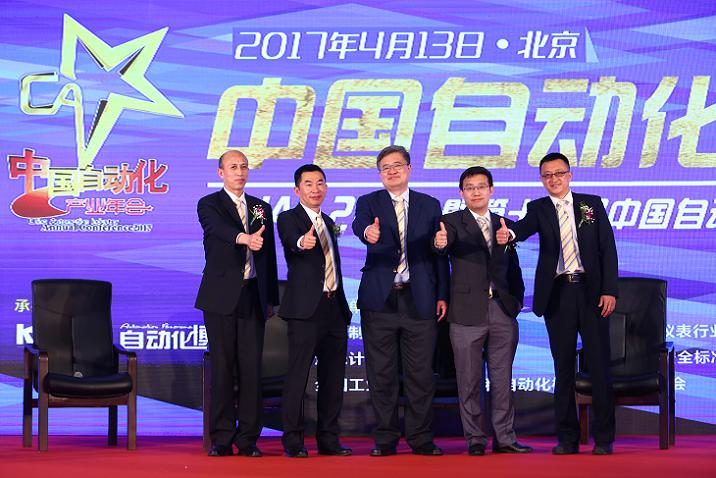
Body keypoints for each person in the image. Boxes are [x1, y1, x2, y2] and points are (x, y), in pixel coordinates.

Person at [496, 152, 618, 455]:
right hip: (558, 294)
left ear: (569, 175)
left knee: (599, 366)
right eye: (547, 175)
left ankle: (604, 439)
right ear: (542, 179)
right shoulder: (538, 208)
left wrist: (609, 290)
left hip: (592, 293)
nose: (554, 179)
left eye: (559, 173)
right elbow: (522, 228)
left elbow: (607, 249)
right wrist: (509, 233)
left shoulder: (591, 204)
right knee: (563, 368)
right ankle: (567, 438)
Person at [352, 145, 449, 457]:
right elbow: (359, 225)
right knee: (382, 374)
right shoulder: (369, 202)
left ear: (409, 168)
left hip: (419, 299)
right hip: (380, 301)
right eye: (385, 167)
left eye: (397, 165)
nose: (391, 171)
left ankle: (420, 438)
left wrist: (442, 293)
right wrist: (367, 232)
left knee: (421, 375)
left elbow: (438, 254)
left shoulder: (429, 204)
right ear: (380, 174)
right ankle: (385, 439)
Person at [433, 166, 531, 456]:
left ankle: (505, 438)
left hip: (502, 310)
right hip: (466, 311)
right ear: (461, 193)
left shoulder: (504, 224)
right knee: (469, 380)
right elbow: (442, 246)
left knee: (502, 380)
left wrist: (516, 301)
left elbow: (513, 267)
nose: (476, 192)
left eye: (481, 186)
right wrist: (439, 243)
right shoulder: (450, 222)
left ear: (491, 190)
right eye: (469, 187)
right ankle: (475, 439)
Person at [195, 149, 279, 457]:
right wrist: (245, 238)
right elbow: (217, 230)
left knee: (250, 370)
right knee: (222, 368)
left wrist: (271, 298)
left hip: (252, 295)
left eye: (244, 167)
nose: (240, 172)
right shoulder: (209, 204)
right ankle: (221, 438)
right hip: (220, 297)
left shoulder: (260, 207)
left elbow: (267, 255)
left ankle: (248, 439)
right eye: (233, 167)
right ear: (221, 173)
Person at [276, 164, 353, 458]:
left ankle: (329, 440)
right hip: (305, 311)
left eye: (320, 183)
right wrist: (302, 242)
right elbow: (292, 241)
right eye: (308, 184)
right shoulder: (288, 218)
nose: (315, 189)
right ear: (297, 190)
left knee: (332, 379)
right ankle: (293, 441)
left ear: (326, 188)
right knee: (297, 378)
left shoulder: (329, 221)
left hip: (334, 309)